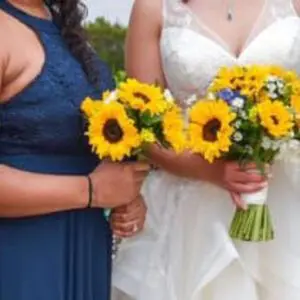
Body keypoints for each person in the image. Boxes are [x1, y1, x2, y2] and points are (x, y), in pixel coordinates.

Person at [111, 0, 300, 299]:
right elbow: (143, 122)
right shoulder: (153, 8)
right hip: (189, 216)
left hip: (287, 199)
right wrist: (209, 170)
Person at [0, 0, 150, 299]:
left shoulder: (58, 25)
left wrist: (124, 195)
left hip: (86, 245)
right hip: (22, 257)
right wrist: (91, 190)